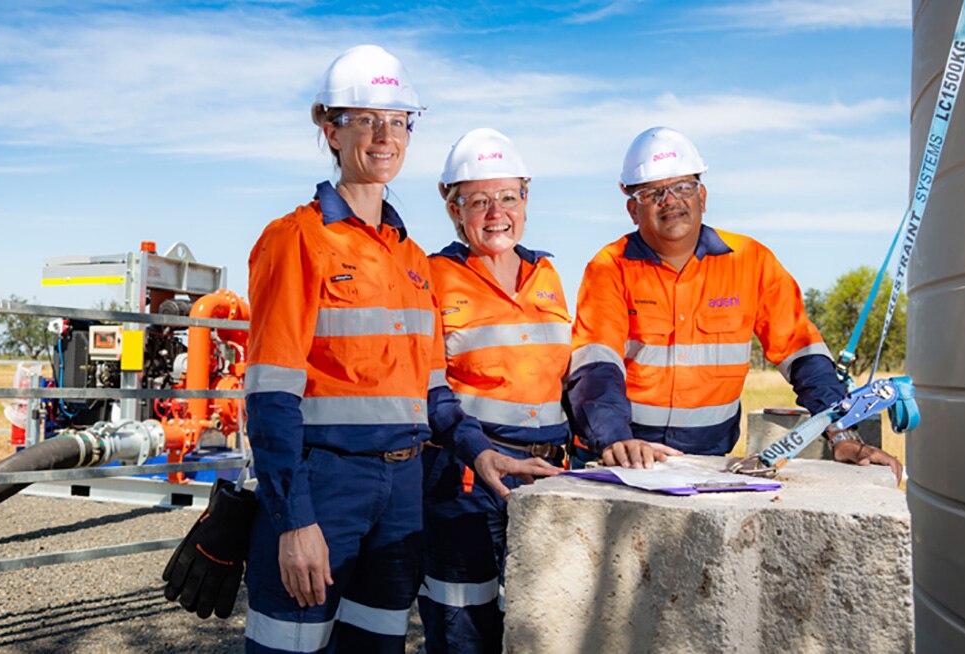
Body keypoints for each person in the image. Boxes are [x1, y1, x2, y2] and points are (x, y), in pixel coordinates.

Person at [244, 47, 559, 654]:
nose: (384, 135)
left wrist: (480, 454)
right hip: (325, 483)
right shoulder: (295, 240)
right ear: (330, 129)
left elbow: (434, 394)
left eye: (398, 120)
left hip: (402, 493)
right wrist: (293, 521)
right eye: (365, 119)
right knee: (290, 644)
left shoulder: (412, 260)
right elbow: (270, 397)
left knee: (378, 645)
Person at [567, 126, 902, 480]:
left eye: (684, 187)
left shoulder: (751, 261)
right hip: (621, 457)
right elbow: (596, 366)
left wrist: (842, 433)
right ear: (633, 210)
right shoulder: (610, 267)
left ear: (703, 197)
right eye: (653, 193)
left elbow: (803, 355)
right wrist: (615, 439)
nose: (671, 200)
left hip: (707, 460)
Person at [418, 128, 571, 653]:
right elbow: (427, 385)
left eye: (507, 197)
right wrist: (477, 451)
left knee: (542, 622)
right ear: (454, 210)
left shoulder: (546, 273)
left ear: (525, 199)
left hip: (548, 475)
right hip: (465, 480)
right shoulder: (432, 276)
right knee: (463, 627)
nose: (495, 213)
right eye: (478, 201)